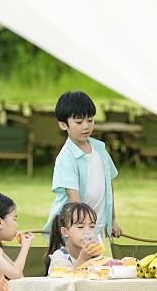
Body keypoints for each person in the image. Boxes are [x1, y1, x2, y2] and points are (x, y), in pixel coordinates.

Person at [43, 90, 123, 245]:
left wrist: (112, 220)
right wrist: (84, 232)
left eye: (90, 120)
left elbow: (108, 187)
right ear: (63, 125)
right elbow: (74, 200)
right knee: (75, 262)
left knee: (98, 261)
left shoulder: (100, 150)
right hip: (73, 230)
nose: (86, 126)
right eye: (79, 122)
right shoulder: (66, 157)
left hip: (95, 226)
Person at [44, 202, 105, 275]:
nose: (88, 231)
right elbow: (66, 281)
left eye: (92, 226)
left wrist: (100, 261)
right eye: (80, 227)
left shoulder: (93, 255)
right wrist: (83, 259)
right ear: (65, 232)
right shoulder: (60, 257)